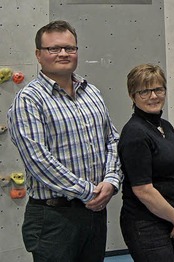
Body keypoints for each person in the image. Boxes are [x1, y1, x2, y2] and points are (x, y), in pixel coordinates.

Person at [7, 20, 122, 261]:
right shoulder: (29, 100)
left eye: (70, 48)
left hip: (94, 214)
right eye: (53, 49)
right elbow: (38, 161)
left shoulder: (92, 92)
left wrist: (111, 181)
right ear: (38, 55)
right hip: (53, 219)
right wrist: (89, 191)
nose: (63, 53)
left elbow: (111, 140)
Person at [118, 64, 174, 261]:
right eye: (144, 91)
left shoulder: (165, 127)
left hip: (172, 219)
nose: (153, 96)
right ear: (132, 95)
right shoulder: (135, 133)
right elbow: (143, 189)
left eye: (158, 89)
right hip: (146, 224)